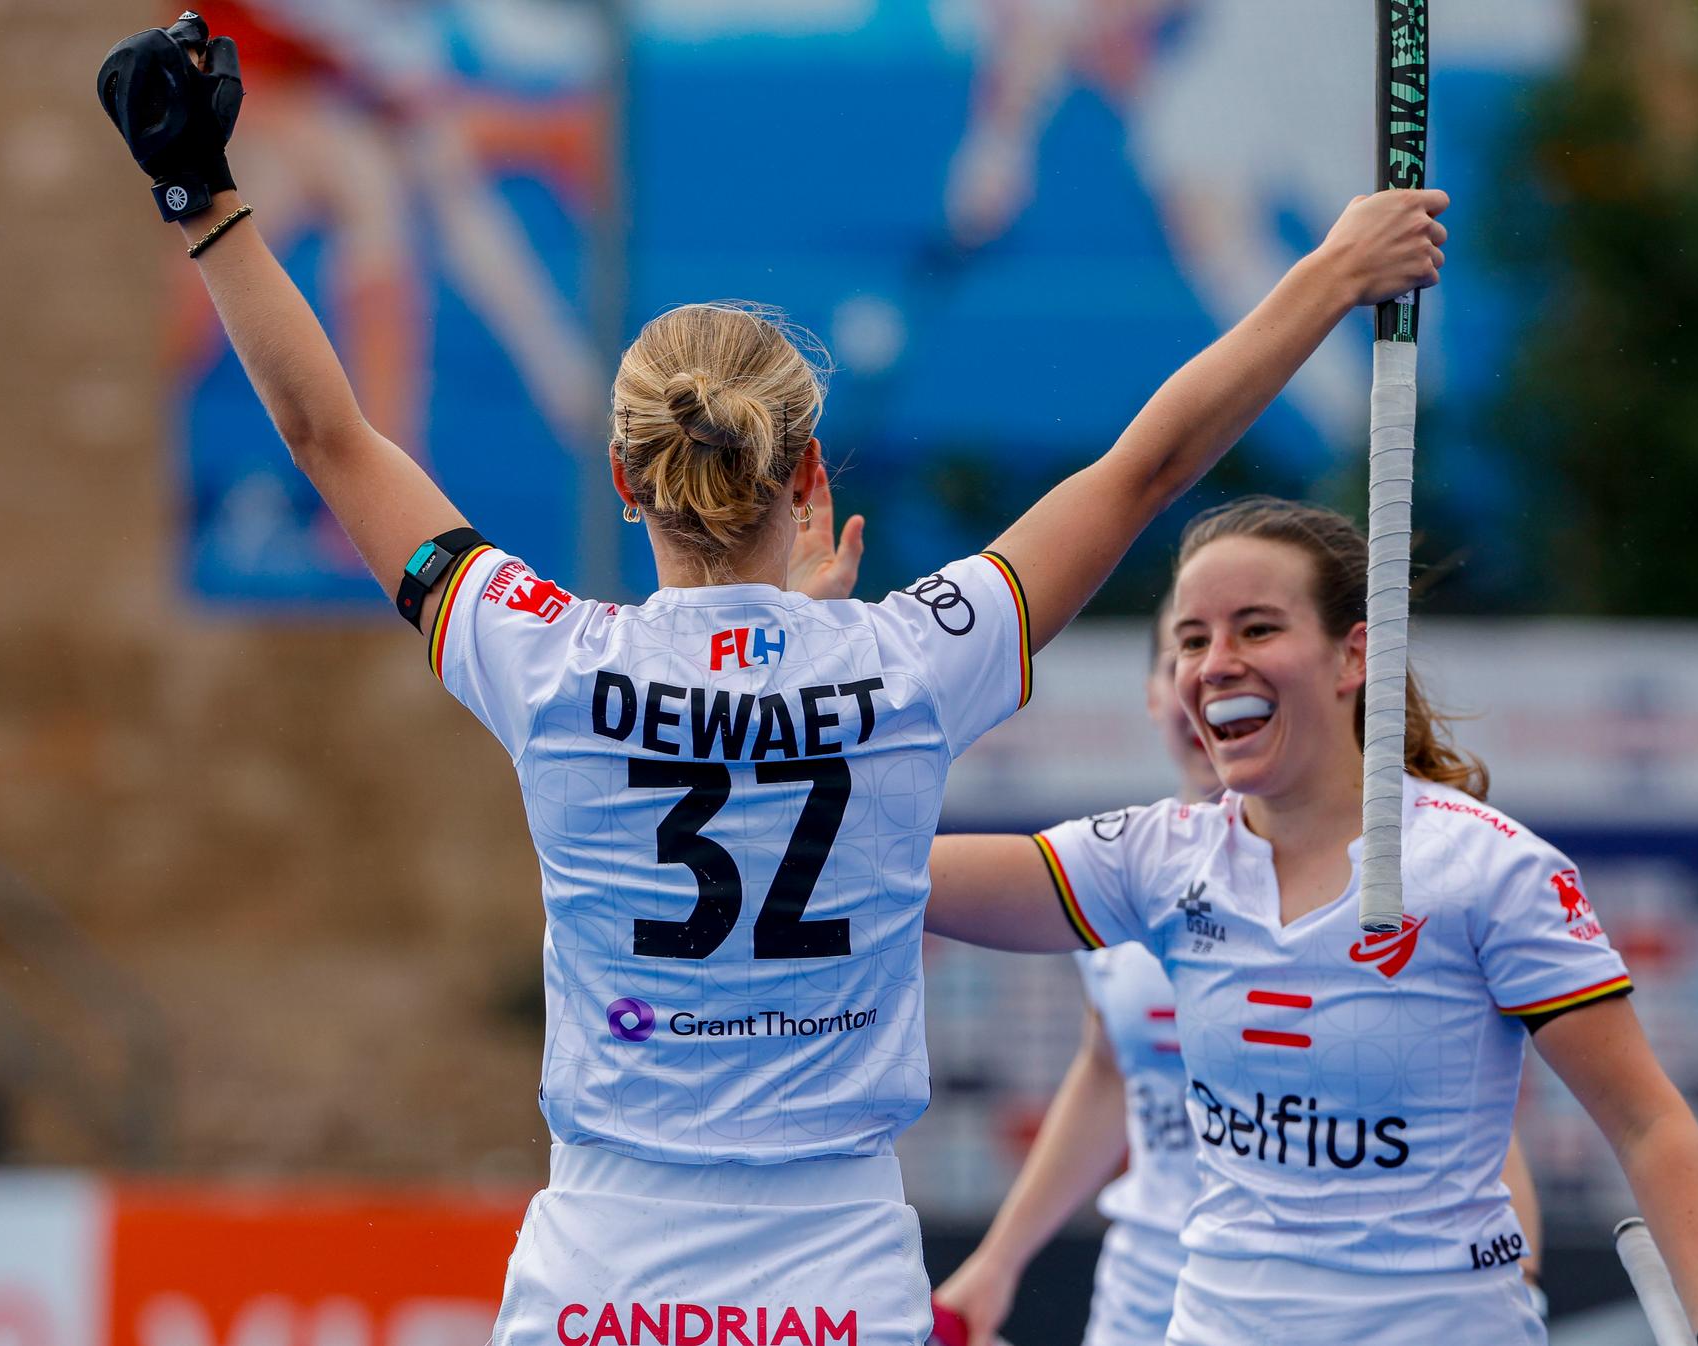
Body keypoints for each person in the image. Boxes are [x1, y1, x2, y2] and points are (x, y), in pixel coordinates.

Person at [96, 15, 1446, 1344]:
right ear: (809, 477)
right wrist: (1330, 271)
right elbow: (1144, 467)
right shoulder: (911, 658)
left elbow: (330, 437)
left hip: (601, 1274)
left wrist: (202, 202)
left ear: (627, 484)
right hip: (834, 1267)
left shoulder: (552, 659)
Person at [925, 498, 1698, 1346]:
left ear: (1353, 655)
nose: (1215, 665)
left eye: (1256, 629)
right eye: (1191, 638)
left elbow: (1647, 1122)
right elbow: (898, 876)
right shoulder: (1157, 856)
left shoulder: (1491, 868)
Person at [931, 601, 1547, 1346]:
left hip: (1311, 1305)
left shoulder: (1401, 879)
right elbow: (1109, 1071)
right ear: (1159, 694)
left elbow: (1462, 1119)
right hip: (1147, 1297)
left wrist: (1513, 1280)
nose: (1216, 680)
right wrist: (998, 1262)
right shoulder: (1122, 866)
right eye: (1183, 654)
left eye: (1252, 640)